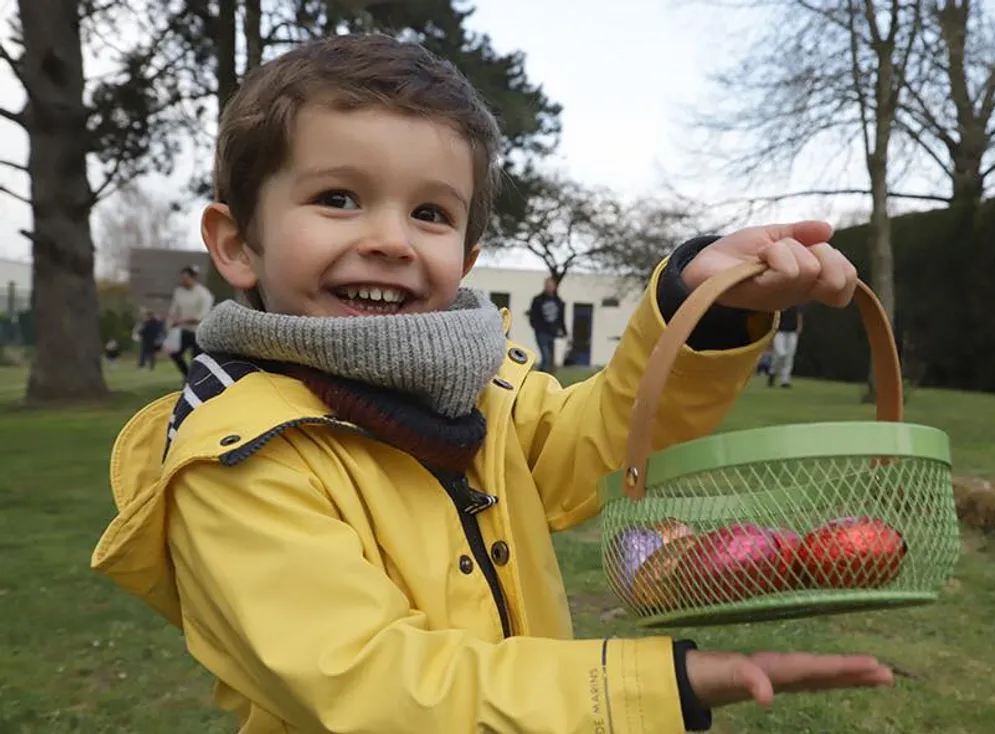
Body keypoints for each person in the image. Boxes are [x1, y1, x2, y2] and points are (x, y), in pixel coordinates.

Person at [90, 34, 889, 734]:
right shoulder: (235, 461)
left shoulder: (484, 390)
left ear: (467, 261)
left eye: (431, 213)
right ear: (236, 244)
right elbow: (370, 687)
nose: (390, 240)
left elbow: (604, 444)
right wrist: (644, 688)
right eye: (338, 199)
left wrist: (700, 311)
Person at [166, 264, 214, 377]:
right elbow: (173, 310)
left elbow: (202, 316)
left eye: (186, 278)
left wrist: (182, 320)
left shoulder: (203, 294)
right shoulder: (179, 292)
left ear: (193, 278)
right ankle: (187, 375)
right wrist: (170, 323)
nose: (184, 281)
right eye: (182, 278)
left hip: (199, 331)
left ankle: (194, 380)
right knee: (174, 353)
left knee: (196, 358)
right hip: (183, 331)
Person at [528, 276, 567, 372]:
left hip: (552, 332)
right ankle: (541, 375)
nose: (549, 287)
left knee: (550, 358)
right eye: (548, 285)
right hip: (541, 332)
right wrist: (536, 326)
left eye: (551, 286)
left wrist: (563, 330)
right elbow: (532, 315)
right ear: (545, 286)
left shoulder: (558, 301)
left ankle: (546, 375)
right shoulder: (538, 300)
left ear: (554, 287)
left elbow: (561, 317)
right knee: (546, 356)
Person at [769, 305, 804, 388]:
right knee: (780, 354)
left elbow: (799, 314)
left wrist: (799, 327)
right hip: (780, 332)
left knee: (789, 356)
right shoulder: (780, 301)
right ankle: (773, 372)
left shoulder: (796, 303)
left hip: (792, 332)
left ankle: (785, 380)